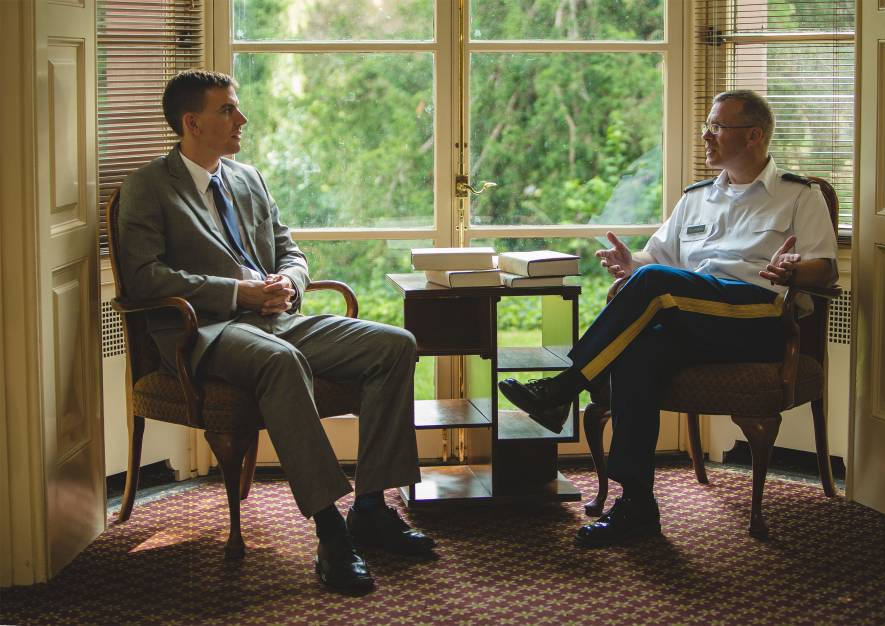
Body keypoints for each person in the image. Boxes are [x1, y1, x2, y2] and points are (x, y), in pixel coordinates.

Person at [118, 69, 435, 591]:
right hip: (207, 331)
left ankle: (372, 508)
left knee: (394, 346)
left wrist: (288, 280)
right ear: (191, 122)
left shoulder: (249, 178)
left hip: (278, 317)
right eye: (227, 110)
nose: (241, 118)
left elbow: (291, 250)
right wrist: (237, 292)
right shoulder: (148, 187)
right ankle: (332, 531)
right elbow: (144, 277)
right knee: (281, 361)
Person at [499, 90, 838, 547]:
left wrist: (794, 268)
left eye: (718, 126)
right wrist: (630, 264)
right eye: (709, 125)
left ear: (754, 135)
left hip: (758, 317)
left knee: (658, 285)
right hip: (697, 317)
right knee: (641, 351)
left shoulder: (799, 195)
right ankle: (637, 504)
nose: (706, 134)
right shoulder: (697, 198)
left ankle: (564, 387)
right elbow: (656, 260)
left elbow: (826, 268)